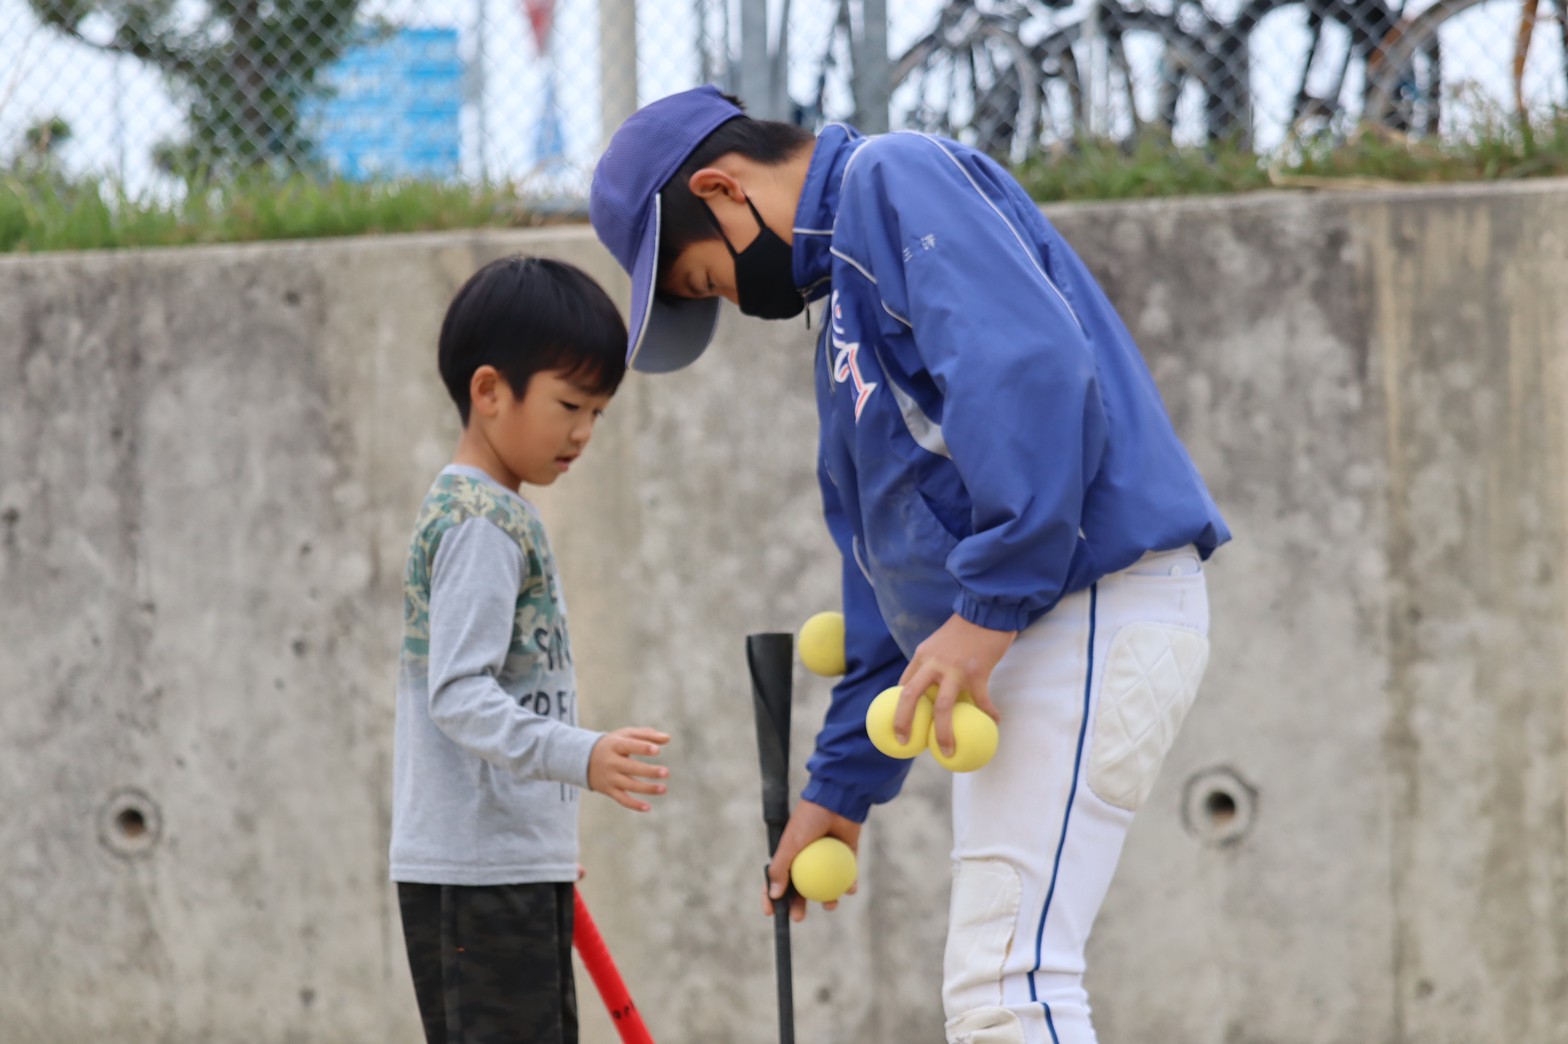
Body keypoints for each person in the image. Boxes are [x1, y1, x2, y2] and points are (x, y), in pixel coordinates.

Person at [590, 86, 1231, 1044]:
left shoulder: (891, 181)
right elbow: (888, 574)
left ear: (723, 189)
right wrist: (838, 791)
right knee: (1002, 991)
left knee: (1011, 990)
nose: (731, 298)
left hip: (1083, 601)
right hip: (1037, 623)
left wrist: (990, 607)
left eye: (705, 279)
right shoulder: (840, 315)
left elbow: (1029, 370)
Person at [390, 255, 672, 1044]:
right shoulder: (481, 521)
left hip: (505, 864)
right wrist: (584, 759)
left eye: (599, 412)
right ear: (489, 392)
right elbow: (461, 696)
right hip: (479, 880)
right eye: (570, 404)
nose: (584, 432)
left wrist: (540, 839)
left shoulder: (496, 511)